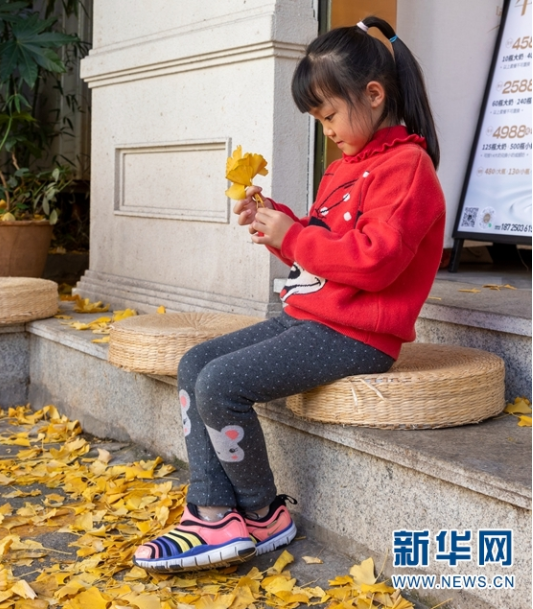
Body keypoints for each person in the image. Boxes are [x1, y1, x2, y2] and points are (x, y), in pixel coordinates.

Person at [133, 15, 446, 573]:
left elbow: (374, 262)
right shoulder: (344, 169)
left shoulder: (408, 167)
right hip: (310, 317)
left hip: (357, 334)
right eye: (318, 119)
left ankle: (260, 514)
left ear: (374, 95)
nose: (326, 130)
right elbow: (322, 253)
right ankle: (212, 509)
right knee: (194, 364)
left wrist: (295, 236)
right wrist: (276, 223)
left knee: (221, 384)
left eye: (329, 115)